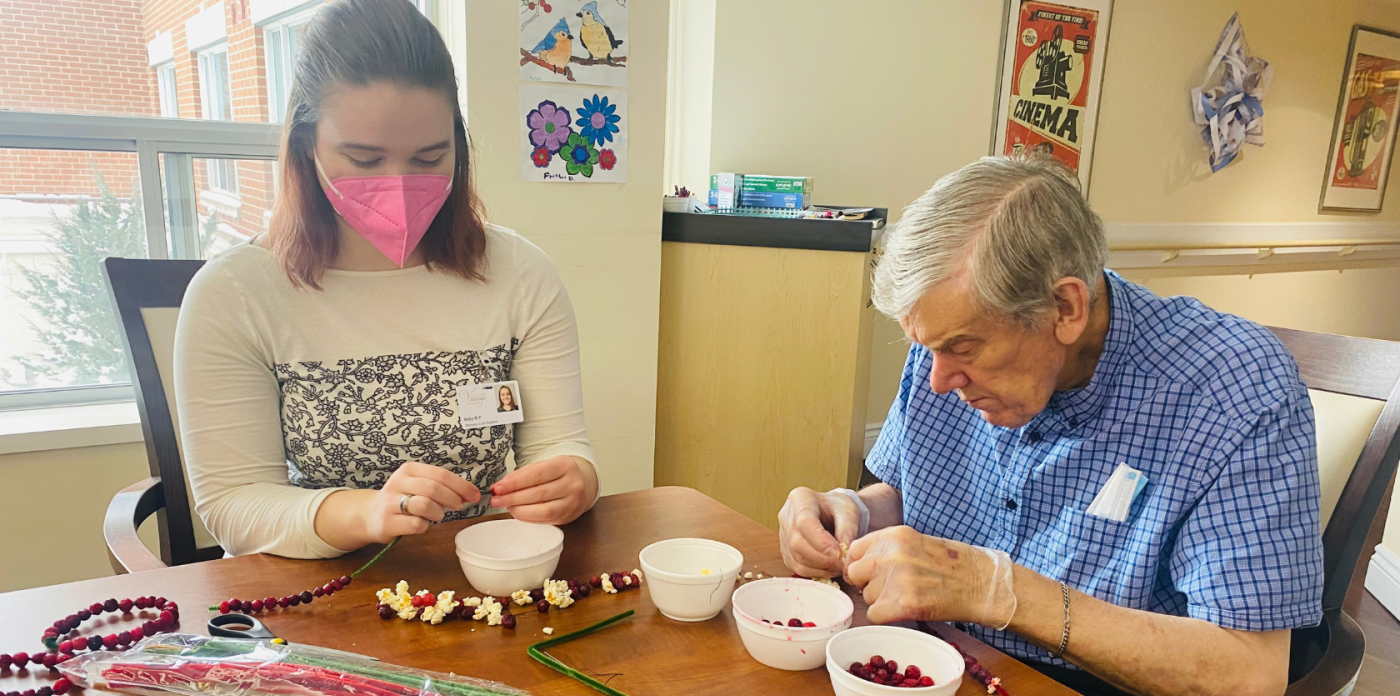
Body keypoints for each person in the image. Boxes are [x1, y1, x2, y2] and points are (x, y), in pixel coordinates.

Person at [779, 155, 1320, 696]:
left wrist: (1000, 592)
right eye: (927, 349)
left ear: (1065, 308)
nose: (939, 380)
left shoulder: (1235, 390)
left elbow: (1251, 674)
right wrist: (850, 512)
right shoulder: (944, 351)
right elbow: (907, 492)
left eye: (962, 349)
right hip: (939, 656)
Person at [174, 0, 599, 560]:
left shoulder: (519, 273)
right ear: (307, 146)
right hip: (317, 591)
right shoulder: (234, 294)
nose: (399, 183)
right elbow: (233, 504)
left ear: (459, 147)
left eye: (429, 157)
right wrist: (368, 511)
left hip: (480, 575)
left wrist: (576, 480)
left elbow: (558, 446)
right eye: (364, 158)